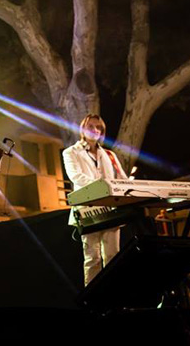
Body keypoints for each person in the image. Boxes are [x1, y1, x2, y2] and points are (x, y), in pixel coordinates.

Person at [63, 114, 128, 285]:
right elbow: (76, 176)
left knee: (113, 256)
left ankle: (114, 295)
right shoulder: (71, 152)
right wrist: (104, 187)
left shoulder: (110, 155)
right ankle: (94, 298)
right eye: (91, 126)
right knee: (93, 258)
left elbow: (122, 178)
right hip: (87, 208)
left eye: (98, 127)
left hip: (111, 208)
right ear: (83, 129)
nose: (95, 130)